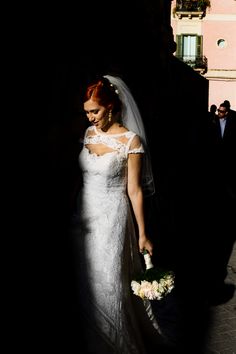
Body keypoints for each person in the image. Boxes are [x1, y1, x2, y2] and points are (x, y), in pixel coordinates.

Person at [69, 75, 158, 353]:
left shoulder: (131, 141)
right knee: (83, 284)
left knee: (109, 286)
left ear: (111, 106)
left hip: (113, 221)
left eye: (94, 111)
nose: (90, 118)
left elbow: (135, 190)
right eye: (86, 112)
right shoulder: (88, 134)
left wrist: (142, 234)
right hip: (82, 219)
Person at [205, 101, 236, 305]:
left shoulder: (233, 124)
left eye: (223, 111)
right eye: (219, 112)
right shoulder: (211, 123)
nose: (220, 114)